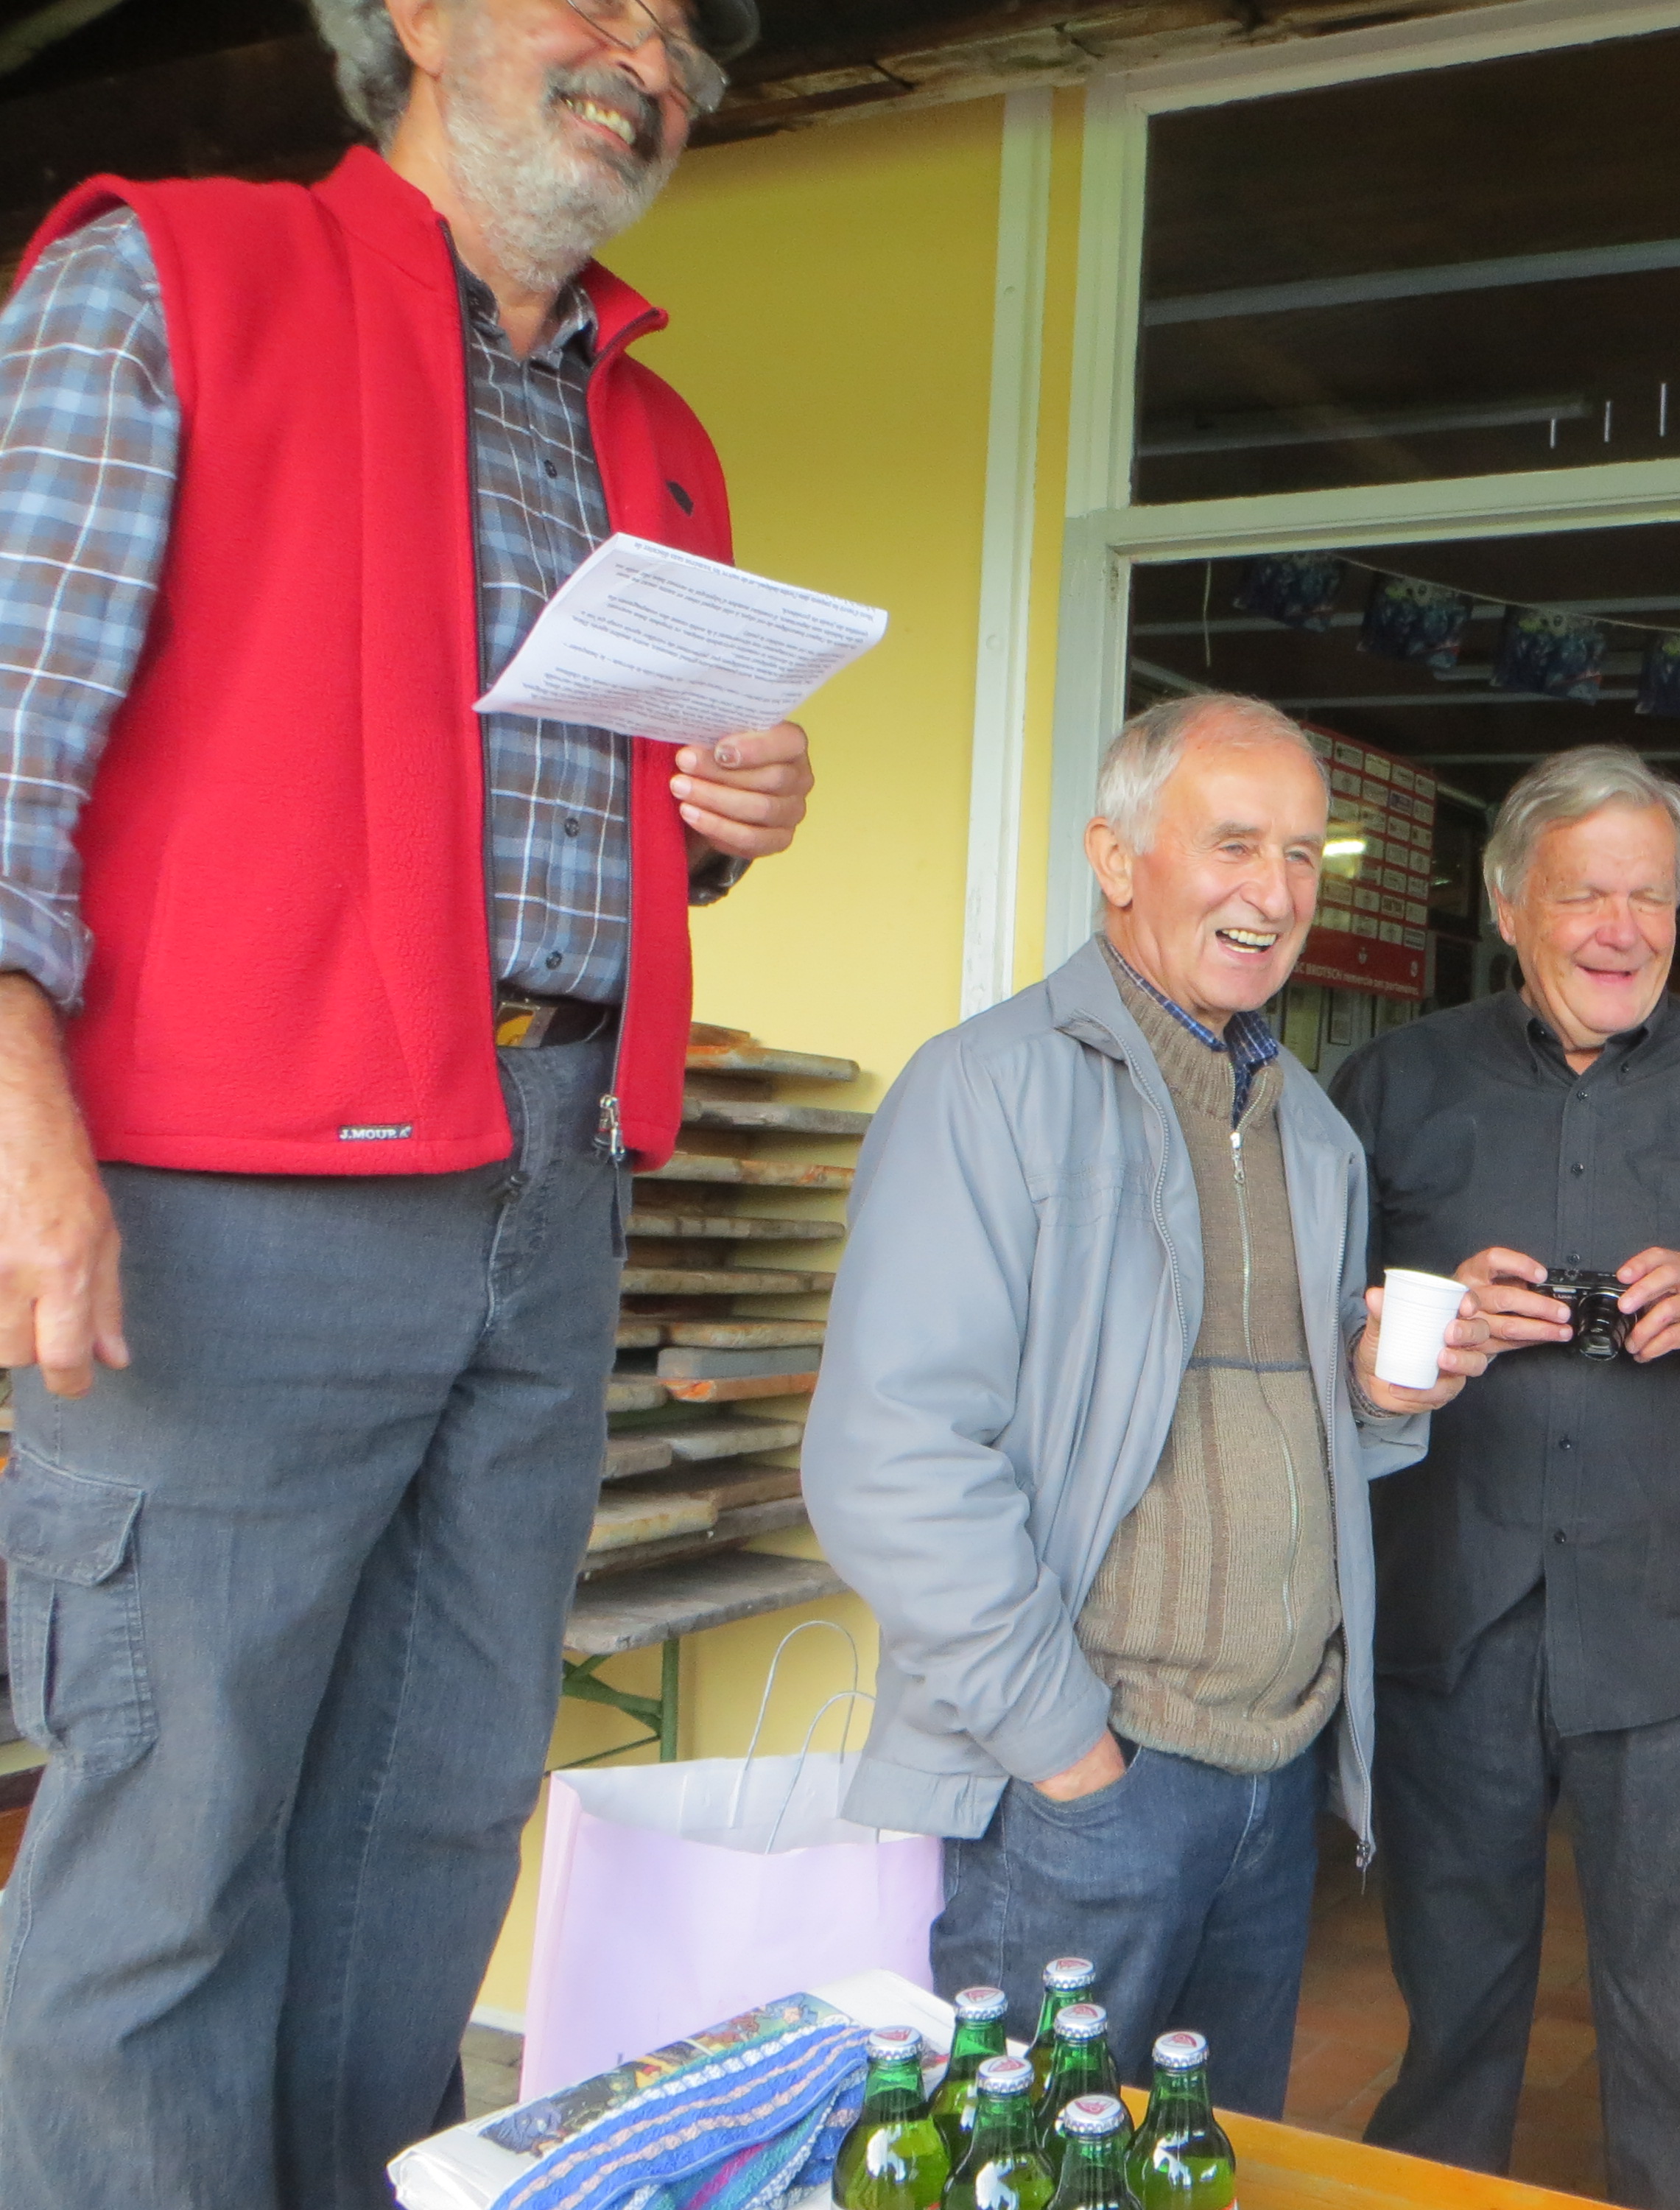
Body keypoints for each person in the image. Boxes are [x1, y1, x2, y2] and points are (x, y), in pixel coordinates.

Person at [0, 0, 812, 2200]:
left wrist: (724, 817)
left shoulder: (657, 433)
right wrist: (20, 1133)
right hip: (227, 1187)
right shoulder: (167, 277)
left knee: (430, 1817)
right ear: (418, 15)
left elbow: (556, 812)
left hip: (555, 1169)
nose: (646, 51)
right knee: (172, 1844)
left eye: (683, 31)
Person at [801, 695, 1487, 2120]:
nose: (1275, 893)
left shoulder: (1312, 1129)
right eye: (1233, 844)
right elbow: (890, 1458)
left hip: (1271, 1778)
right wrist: (1070, 1756)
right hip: (1084, 1775)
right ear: (1116, 859)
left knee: (1198, 2167)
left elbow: (1275, 1435)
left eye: (1301, 855)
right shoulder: (989, 1089)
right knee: (1027, 2174)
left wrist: (1377, 1395)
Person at [1330, 744, 1680, 2210]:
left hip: (1678, 1633)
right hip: (1455, 1622)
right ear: (1509, 901)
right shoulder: (1389, 1083)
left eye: (1651, 897)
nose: (1623, 930)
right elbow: (1299, 1338)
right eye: (1587, 894)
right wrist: (1414, 1326)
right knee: (1452, 2024)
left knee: (1676, 2043)